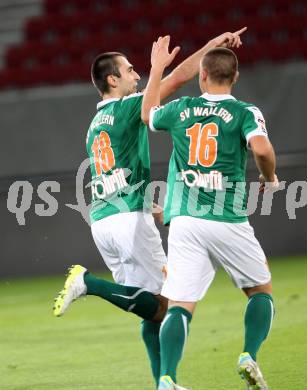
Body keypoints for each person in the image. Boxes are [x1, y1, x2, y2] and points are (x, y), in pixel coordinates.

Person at [53, 29, 247, 388]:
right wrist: (209, 48)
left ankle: (164, 383)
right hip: (128, 220)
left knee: (149, 308)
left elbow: (114, 172)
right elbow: (178, 78)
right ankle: (88, 284)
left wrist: (149, 203)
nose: (137, 74)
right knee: (168, 305)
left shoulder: (94, 124)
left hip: (103, 220)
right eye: (129, 70)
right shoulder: (127, 107)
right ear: (112, 79)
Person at [141, 37, 279, 390]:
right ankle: (248, 355)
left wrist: (157, 67)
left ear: (202, 75)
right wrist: (269, 176)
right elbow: (261, 149)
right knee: (260, 291)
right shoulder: (245, 112)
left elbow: (147, 114)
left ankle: (167, 379)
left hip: (185, 220)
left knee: (179, 305)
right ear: (234, 77)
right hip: (227, 218)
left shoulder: (181, 108)